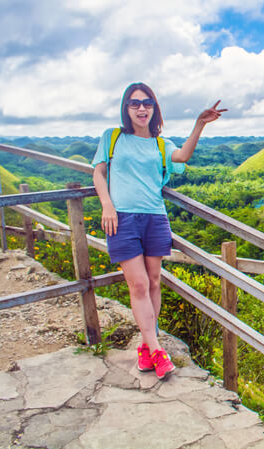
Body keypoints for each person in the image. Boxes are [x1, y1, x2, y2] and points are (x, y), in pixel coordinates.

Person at [92, 82, 226, 379]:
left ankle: (146, 346)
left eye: (147, 103)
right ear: (126, 108)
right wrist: (107, 205)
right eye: (135, 103)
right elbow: (99, 172)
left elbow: (182, 157)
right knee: (138, 285)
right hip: (122, 218)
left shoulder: (161, 144)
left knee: (153, 282)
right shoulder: (112, 138)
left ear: (155, 108)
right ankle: (158, 351)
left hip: (154, 216)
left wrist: (199, 124)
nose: (142, 108)